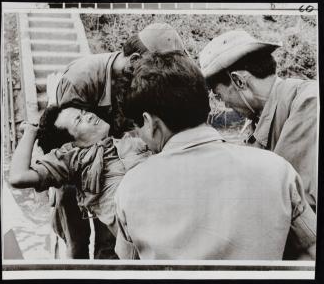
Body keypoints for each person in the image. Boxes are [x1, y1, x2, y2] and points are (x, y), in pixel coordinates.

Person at [114, 51, 316, 260]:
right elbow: (312, 251)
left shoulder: (131, 188)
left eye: (137, 128)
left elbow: (130, 267)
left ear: (149, 122)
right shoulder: (278, 171)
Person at [50, 22, 187, 259]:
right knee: (76, 245)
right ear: (134, 60)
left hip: (116, 168)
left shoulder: (139, 78)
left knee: (113, 247)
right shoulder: (80, 79)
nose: (161, 75)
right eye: (157, 66)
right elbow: (65, 143)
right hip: (76, 168)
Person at [199, 30, 318, 211]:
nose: (225, 104)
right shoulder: (258, 119)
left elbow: (292, 201)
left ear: (238, 81)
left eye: (219, 95)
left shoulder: (309, 103)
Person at [9, 106, 151, 257]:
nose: (89, 116)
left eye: (84, 112)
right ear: (72, 145)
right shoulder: (75, 159)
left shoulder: (128, 139)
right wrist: (30, 132)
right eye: (79, 120)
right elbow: (18, 177)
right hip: (142, 244)